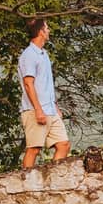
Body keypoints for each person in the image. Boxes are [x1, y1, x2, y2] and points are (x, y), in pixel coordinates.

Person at [19, 18, 69, 169]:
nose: (49, 31)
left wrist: (55, 106)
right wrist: (38, 109)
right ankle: (26, 184)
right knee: (34, 149)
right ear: (41, 32)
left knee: (63, 144)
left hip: (50, 109)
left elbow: (45, 83)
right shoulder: (29, 55)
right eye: (47, 28)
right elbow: (28, 84)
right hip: (35, 109)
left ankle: (51, 180)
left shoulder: (44, 54)